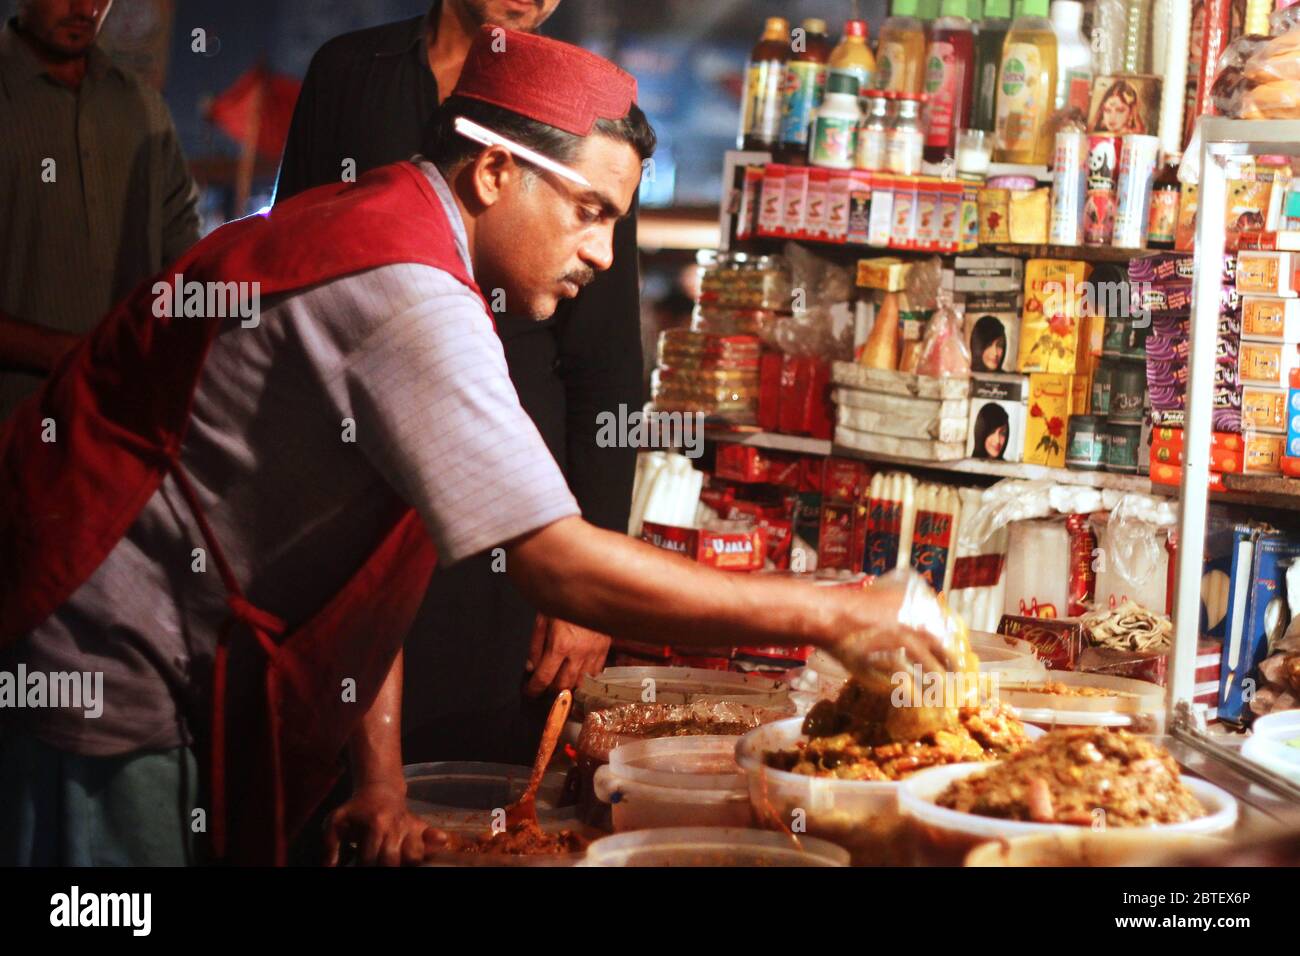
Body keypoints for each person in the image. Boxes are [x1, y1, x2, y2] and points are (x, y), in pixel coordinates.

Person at [0, 28, 956, 867]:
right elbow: (557, 566)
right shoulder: (410, 293)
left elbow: (370, 551)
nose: (604, 256)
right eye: (591, 212)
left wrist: (378, 781)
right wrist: (835, 613)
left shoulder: (400, 225)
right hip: (96, 647)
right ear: (495, 172)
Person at [274, 0, 639, 766]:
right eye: (588, 214)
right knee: (329, 742)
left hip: (507, 483)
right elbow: (295, 260)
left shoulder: (592, 119)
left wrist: (588, 593)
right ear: (491, 167)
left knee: (469, 765)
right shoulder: (351, 75)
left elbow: (607, 373)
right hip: (356, 465)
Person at [0, 0, 200, 420]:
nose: (84, 8)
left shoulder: (144, 109)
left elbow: (184, 261)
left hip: (119, 422)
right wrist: (70, 352)